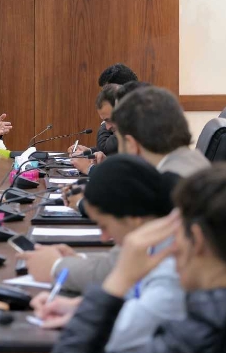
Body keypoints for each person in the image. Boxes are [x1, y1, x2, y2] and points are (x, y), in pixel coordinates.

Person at [24, 86, 210, 293]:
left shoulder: (168, 186)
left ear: (131, 145)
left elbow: (118, 271)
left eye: (118, 140)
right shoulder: (193, 164)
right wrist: (80, 260)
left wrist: (55, 266)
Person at [48, 165, 226, 353]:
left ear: (197, 239)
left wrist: (119, 279)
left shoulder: (201, 336)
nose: (173, 246)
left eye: (177, 232)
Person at [31, 155, 185, 353]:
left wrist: (87, 314)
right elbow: (135, 300)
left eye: (104, 226)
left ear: (133, 218)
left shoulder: (173, 268)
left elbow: (111, 336)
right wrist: (78, 307)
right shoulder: (158, 246)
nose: (104, 237)